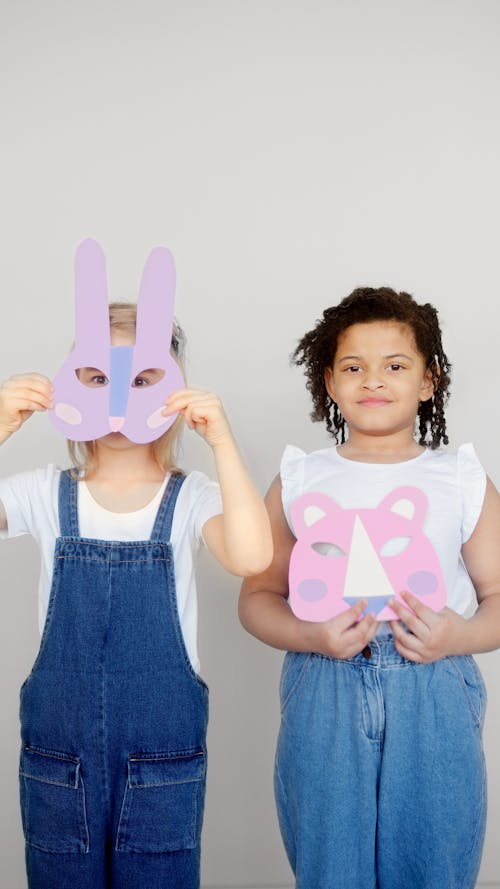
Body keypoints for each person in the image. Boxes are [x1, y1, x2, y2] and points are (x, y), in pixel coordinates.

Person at [0, 304, 272, 889]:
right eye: (99, 378)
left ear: (173, 393)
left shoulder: (191, 497)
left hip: (161, 760)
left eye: (144, 380)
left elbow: (252, 557)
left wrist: (221, 441)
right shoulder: (44, 495)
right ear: (71, 385)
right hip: (59, 759)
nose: (119, 398)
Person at [239, 286, 500, 889]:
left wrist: (459, 635)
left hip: (434, 684)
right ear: (328, 382)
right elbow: (256, 597)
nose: (373, 380)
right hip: (324, 679)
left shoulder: (459, 477)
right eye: (353, 367)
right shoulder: (300, 477)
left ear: (429, 382)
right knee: (331, 865)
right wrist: (308, 634)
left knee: (433, 860)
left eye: (396, 366)